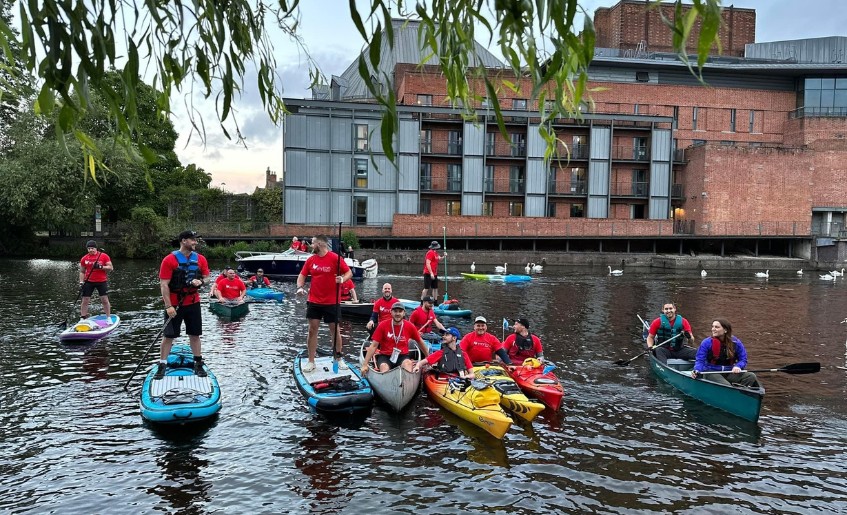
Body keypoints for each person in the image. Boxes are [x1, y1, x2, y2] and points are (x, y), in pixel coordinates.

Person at [155, 230, 211, 379]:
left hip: (193, 302)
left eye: (195, 240)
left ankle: (198, 363)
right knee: (168, 336)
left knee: (195, 334)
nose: (195, 242)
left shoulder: (200, 259)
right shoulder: (169, 260)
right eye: (193, 240)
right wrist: (168, 306)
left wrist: (201, 282)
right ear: (183, 241)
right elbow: (164, 285)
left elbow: (207, 278)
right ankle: (162, 364)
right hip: (174, 304)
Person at [296, 234, 352, 373]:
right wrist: (300, 287)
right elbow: (302, 275)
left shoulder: (335, 258)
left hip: (332, 301)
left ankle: (338, 358)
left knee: (335, 330)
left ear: (320, 244)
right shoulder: (311, 260)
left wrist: (342, 279)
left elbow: (349, 273)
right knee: (312, 329)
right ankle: (311, 361)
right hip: (314, 300)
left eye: (312, 243)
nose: (310, 245)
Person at [361, 302, 428, 375]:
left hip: (403, 356)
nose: (397, 314)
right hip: (385, 356)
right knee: (384, 368)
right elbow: (373, 346)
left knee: (408, 364)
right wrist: (365, 364)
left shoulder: (410, 326)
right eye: (395, 311)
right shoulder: (382, 325)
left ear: (404, 313)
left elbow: (420, 342)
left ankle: (406, 383)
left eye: (400, 311)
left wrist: (428, 358)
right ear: (391, 312)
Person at [692, 319, 759, 387]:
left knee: (751, 376)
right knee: (726, 385)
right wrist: (697, 370)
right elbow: (700, 360)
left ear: (725, 330)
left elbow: (743, 359)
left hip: (729, 372)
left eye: (717, 327)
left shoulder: (736, 343)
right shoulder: (707, 342)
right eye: (713, 326)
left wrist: (738, 366)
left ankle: (739, 390)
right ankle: (732, 389)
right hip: (711, 372)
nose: (713, 329)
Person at [78, 240, 113, 319]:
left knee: (104, 300)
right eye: (89, 248)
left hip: (101, 281)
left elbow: (111, 267)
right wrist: (81, 282)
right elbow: (82, 271)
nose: (91, 250)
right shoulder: (84, 258)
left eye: (92, 248)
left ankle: (108, 317)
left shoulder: (103, 256)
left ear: (96, 248)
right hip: (88, 281)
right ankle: (83, 318)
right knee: (85, 300)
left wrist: (101, 267)